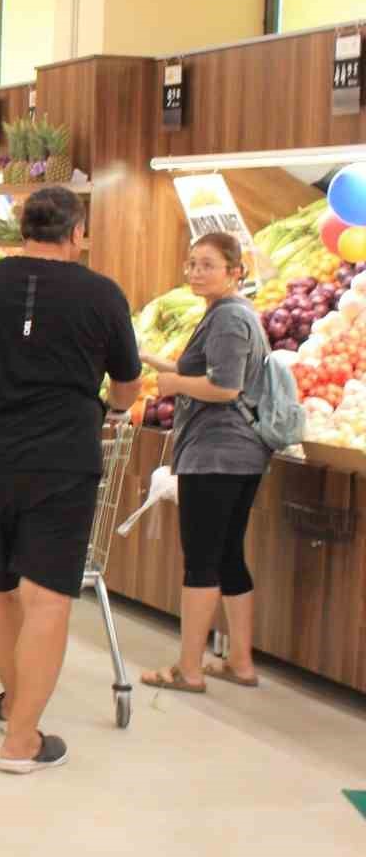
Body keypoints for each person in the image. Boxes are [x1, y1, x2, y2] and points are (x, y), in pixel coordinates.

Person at [0, 186, 142, 774]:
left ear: (23, 228)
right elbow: (126, 390)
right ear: (77, 233)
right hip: (63, 460)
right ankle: (22, 739)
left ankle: (13, 706)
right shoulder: (102, 294)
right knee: (46, 598)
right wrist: (109, 401)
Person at [139, 232, 271, 693]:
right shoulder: (226, 314)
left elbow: (225, 388)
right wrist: (154, 360)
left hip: (217, 454)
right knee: (229, 555)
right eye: (192, 263)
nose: (196, 272)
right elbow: (207, 374)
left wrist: (173, 385)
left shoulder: (230, 319)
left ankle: (189, 669)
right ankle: (240, 662)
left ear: (236, 271)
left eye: (208, 265)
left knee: (201, 561)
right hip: (237, 454)